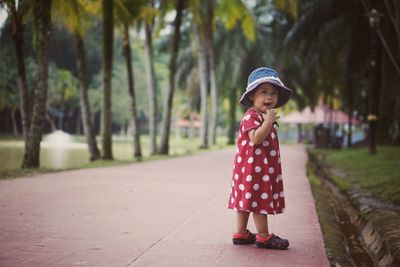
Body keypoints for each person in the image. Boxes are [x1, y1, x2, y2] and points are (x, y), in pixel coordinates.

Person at [227, 67, 293, 250]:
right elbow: (255, 138)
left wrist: (268, 120)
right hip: (253, 168)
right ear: (251, 97)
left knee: (246, 200)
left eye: (273, 93)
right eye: (263, 92)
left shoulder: (262, 116)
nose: (269, 97)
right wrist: (268, 122)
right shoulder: (252, 116)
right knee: (258, 200)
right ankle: (263, 236)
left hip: (252, 168)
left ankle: (241, 233)